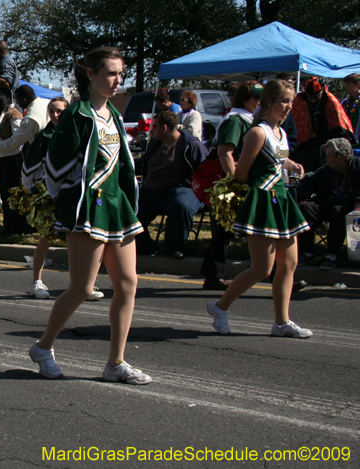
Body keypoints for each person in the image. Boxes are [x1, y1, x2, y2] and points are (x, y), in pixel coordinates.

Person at [29, 47, 151, 385]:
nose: (117, 80)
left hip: (116, 206)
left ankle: (115, 362)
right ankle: (43, 347)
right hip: (87, 208)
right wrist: (70, 200)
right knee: (82, 288)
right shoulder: (77, 114)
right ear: (91, 75)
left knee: (128, 284)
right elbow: (55, 168)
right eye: (111, 73)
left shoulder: (112, 112)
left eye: (120, 74)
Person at [206, 79, 312, 339]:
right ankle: (220, 307)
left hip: (281, 200)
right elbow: (242, 172)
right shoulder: (257, 132)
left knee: (289, 264)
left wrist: (290, 165)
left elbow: (276, 157)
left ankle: (281, 322)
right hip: (262, 202)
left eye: (291, 102)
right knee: (262, 268)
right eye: (284, 101)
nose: (288, 107)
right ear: (269, 102)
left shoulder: (281, 132)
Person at [20, 97, 106, 300]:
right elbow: (28, 168)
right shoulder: (44, 136)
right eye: (51, 111)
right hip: (52, 194)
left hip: (78, 192)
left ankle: (87, 283)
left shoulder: (80, 133)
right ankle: (37, 281)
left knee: (85, 237)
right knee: (46, 237)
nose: (55, 115)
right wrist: (32, 191)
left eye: (59, 111)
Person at [199, 81, 263, 291]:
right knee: (226, 230)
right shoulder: (235, 120)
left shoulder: (252, 120)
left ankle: (278, 275)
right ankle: (213, 275)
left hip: (249, 181)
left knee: (257, 230)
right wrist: (235, 182)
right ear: (245, 99)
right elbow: (225, 152)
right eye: (256, 98)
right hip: (233, 183)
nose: (260, 102)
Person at [135, 110, 207, 259]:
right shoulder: (155, 144)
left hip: (179, 188)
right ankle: (145, 247)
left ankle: (175, 247)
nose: (151, 129)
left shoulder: (190, 144)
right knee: (129, 208)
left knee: (181, 206)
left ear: (165, 128)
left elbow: (205, 170)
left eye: (154, 126)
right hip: (150, 190)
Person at [294, 138, 360, 271]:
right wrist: (301, 200)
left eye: (329, 156)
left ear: (342, 157)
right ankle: (307, 252)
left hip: (349, 206)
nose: (326, 160)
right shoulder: (327, 170)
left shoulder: (357, 167)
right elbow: (306, 183)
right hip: (327, 202)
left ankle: (332, 256)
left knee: (338, 212)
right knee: (307, 208)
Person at [0, 90, 26, 235]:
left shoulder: (14, 115)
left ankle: (17, 225)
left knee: (11, 194)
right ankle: (8, 225)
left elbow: (17, 141)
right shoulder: (0, 116)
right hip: (0, 158)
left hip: (12, 159)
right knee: (3, 194)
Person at [291, 77, 354, 173]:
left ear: (322, 90)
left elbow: (339, 124)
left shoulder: (330, 101)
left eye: (316, 97)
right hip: (307, 147)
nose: (313, 101)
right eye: (310, 98)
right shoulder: (300, 100)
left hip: (327, 142)